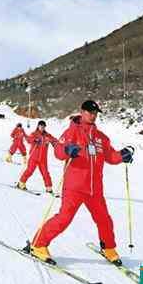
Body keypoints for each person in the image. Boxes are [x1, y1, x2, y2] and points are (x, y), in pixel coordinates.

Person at [27, 100, 135, 266]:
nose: (93, 115)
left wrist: (123, 155)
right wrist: (67, 150)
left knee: (104, 219)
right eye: (90, 112)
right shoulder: (72, 132)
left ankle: (108, 248)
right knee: (64, 218)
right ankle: (38, 244)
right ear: (82, 112)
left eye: (95, 113)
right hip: (74, 187)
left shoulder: (101, 138)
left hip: (95, 189)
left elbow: (111, 156)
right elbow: (58, 150)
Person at [16, 120, 57, 193]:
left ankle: (49, 187)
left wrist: (56, 144)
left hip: (43, 159)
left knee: (45, 173)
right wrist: (34, 140)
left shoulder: (47, 135)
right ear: (38, 126)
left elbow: (54, 140)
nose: (42, 128)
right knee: (29, 171)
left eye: (43, 126)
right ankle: (21, 183)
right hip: (34, 157)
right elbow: (28, 139)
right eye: (41, 126)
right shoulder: (34, 134)